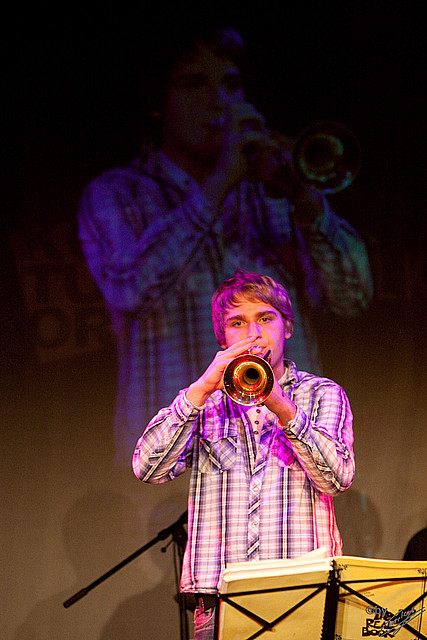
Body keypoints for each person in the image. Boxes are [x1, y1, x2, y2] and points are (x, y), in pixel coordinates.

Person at [77, 23, 372, 463]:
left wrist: (308, 203)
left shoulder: (275, 190)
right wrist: (218, 185)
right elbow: (128, 288)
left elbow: (352, 298)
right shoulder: (116, 194)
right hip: (175, 449)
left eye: (231, 84)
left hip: (283, 444)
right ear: (159, 103)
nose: (219, 101)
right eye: (194, 83)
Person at [132, 269, 355, 640]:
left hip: (303, 592)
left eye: (265, 318)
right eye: (238, 323)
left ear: (287, 328)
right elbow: (148, 467)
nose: (253, 333)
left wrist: (282, 407)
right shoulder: (204, 404)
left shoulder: (322, 395)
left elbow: (336, 479)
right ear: (223, 337)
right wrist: (202, 388)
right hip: (221, 597)